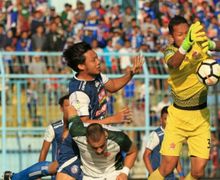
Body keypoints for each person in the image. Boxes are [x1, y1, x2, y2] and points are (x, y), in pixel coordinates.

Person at [148, 15, 220, 180]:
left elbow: (216, 46)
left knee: (198, 171)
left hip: (200, 117)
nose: (185, 37)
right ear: (172, 37)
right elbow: (174, 63)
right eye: (180, 35)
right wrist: (186, 44)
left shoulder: (199, 44)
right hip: (178, 117)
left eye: (187, 33)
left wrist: (211, 44)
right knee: (167, 167)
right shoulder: (169, 51)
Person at [62, 41, 143, 125]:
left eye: (97, 58)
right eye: (93, 60)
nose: (98, 62)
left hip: (99, 131)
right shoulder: (79, 93)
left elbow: (113, 86)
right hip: (89, 136)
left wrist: (131, 73)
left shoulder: (96, 75)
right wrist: (113, 119)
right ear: (81, 66)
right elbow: (83, 123)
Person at [3, 95, 82, 180]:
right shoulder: (54, 128)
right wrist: (38, 176)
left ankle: (14, 177)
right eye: (67, 106)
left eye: (72, 106)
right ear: (62, 108)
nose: (70, 109)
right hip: (60, 168)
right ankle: (15, 177)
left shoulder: (83, 126)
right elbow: (44, 150)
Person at [56, 104, 138, 180]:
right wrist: (66, 129)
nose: (99, 150)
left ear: (106, 136)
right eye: (94, 147)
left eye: (102, 146)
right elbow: (69, 109)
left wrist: (124, 173)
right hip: (89, 176)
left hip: (113, 174)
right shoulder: (77, 132)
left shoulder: (119, 138)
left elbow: (133, 152)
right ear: (87, 140)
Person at [143, 106, 184, 180]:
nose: (168, 121)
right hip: (158, 175)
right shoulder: (156, 134)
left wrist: (181, 175)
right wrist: (152, 175)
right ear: (161, 119)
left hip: (170, 177)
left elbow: (176, 158)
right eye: (165, 119)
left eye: (170, 119)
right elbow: (146, 155)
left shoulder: (175, 135)